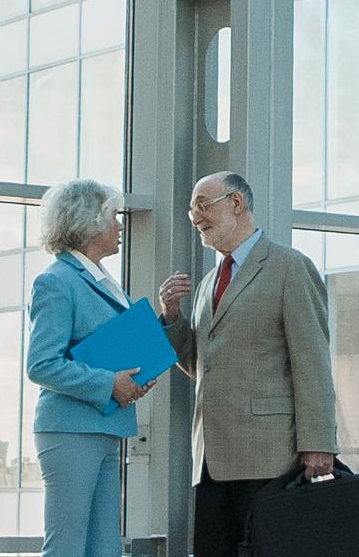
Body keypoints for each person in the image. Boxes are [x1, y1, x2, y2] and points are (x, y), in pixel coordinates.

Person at [154, 172, 337, 557]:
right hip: (210, 458)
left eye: (202, 206)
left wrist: (319, 444)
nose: (196, 218)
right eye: (192, 212)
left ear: (236, 204)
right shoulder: (207, 283)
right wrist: (172, 318)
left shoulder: (290, 267)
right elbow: (200, 364)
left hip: (269, 457)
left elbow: (313, 362)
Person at [25, 179, 148, 557]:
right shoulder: (56, 282)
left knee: (105, 547)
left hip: (105, 426)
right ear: (90, 222)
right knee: (67, 546)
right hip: (70, 428)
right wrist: (108, 382)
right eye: (114, 216)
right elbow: (41, 364)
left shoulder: (103, 281)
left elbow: (117, 343)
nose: (120, 225)